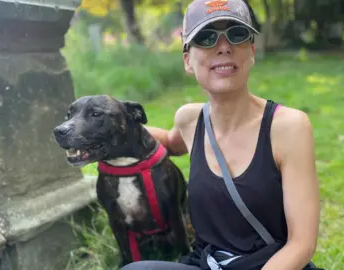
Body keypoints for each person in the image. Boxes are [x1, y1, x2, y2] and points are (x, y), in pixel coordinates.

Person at [121, 0, 321, 269]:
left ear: (250, 51)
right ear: (187, 60)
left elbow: (301, 244)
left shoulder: (288, 127)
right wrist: (115, 127)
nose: (224, 47)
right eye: (206, 38)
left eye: (236, 35)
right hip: (210, 263)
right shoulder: (190, 120)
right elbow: (169, 142)